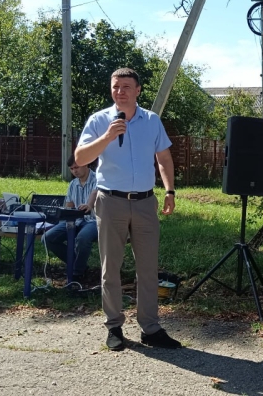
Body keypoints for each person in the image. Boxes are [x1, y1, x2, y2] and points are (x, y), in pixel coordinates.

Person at [75, 67, 180, 351]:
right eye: (115, 86)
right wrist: (107, 137)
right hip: (111, 202)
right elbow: (80, 157)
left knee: (148, 269)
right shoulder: (99, 121)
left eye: (125, 86)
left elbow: (164, 158)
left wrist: (169, 190)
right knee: (111, 268)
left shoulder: (152, 121)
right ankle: (114, 327)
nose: (119, 91)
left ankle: (151, 328)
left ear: (138, 91)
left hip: (146, 202)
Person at [41, 155, 98, 282]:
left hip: (94, 221)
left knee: (83, 238)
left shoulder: (98, 179)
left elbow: (94, 195)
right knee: (47, 238)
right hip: (74, 221)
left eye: (76, 167)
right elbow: (69, 206)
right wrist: (59, 215)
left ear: (86, 164)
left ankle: (77, 274)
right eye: (71, 169)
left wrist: (89, 205)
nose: (74, 171)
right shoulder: (73, 184)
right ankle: (78, 264)